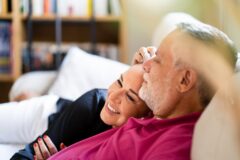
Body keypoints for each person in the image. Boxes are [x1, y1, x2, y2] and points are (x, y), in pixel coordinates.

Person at [42, 21, 237, 160]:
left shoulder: (172, 148)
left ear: (185, 80)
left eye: (158, 59)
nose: (146, 64)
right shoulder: (161, 113)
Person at [10, 64, 151, 160]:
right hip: (46, 116)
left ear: (146, 116)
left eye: (129, 97)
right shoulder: (95, 102)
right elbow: (24, 156)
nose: (113, 96)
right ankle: (33, 98)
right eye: (119, 82)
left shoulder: (134, 146)